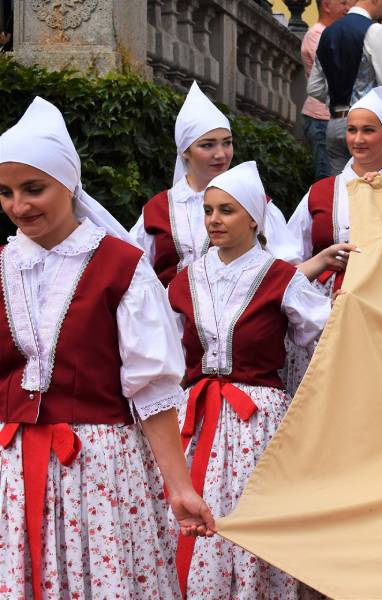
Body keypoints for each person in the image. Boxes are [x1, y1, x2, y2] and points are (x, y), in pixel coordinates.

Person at [0, 97, 214, 599]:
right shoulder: (3, 265)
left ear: (69, 184)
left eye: (34, 189)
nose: (18, 205)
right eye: (5, 192)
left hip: (97, 473)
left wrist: (179, 487)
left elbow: (151, 390)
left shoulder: (121, 266)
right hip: (12, 473)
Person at [169, 161, 330, 598]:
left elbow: (330, 338)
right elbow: (164, 352)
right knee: (192, 515)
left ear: (254, 217)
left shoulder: (281, 278)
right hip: (197, 417)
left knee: (248, 518)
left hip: (256, 422)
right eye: (208, 211)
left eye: (227, 210)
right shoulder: (187, 280)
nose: (214, 221)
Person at [131, 82, 300, 287]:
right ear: (185, 150)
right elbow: (134, 272)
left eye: (227, 142)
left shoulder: (253, 202)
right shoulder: (157, 209)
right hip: (168, 316)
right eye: (207, 145)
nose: (221, 154)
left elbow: (287, 267)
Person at [288, 87, 382, 298]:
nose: (358, 139)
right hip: (323, 308)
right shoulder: (321, 191)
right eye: (352, 130)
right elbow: (289, 255)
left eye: (368, 130)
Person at [307, 0, 382, 176]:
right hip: (367, 126)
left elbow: (314, 88)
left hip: (335, 123)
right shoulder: (374, 30)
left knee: (341, 191)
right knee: (370, 190)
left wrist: (335, 98)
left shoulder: (328, 32)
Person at [301, 0, 350, 182]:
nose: (348, 8)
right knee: (326, 177)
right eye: (343, 2)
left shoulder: (334, 33)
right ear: (327, 5)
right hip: (320, 116)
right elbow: (334, 70)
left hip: (334, 115)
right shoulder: (317, 34)